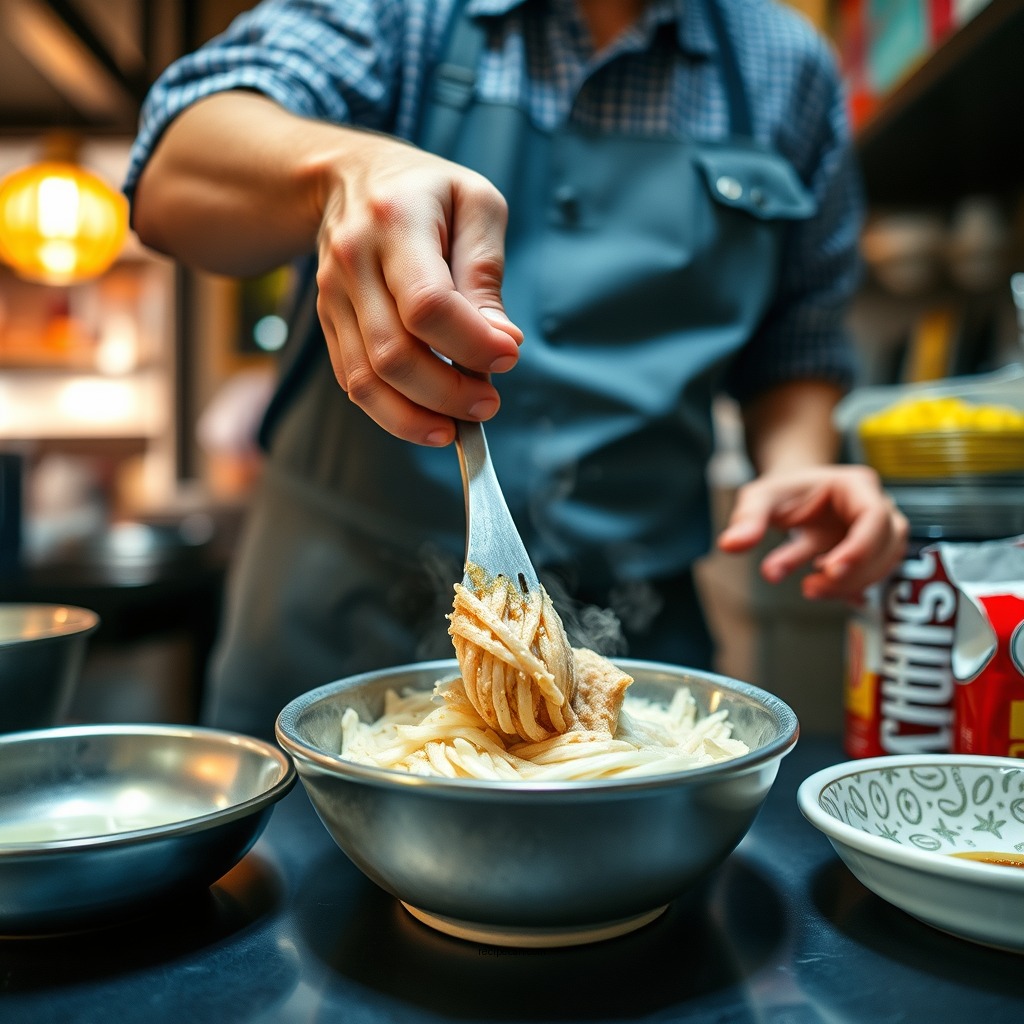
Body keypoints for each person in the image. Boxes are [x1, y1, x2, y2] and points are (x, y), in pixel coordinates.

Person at [126, 0, 908, 739]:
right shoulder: (406, 14)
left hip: (638, 624)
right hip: (337, 612)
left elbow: (798, 334)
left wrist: (798, 465)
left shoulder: (788, 66)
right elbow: (171, 170)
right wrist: (340, 173)